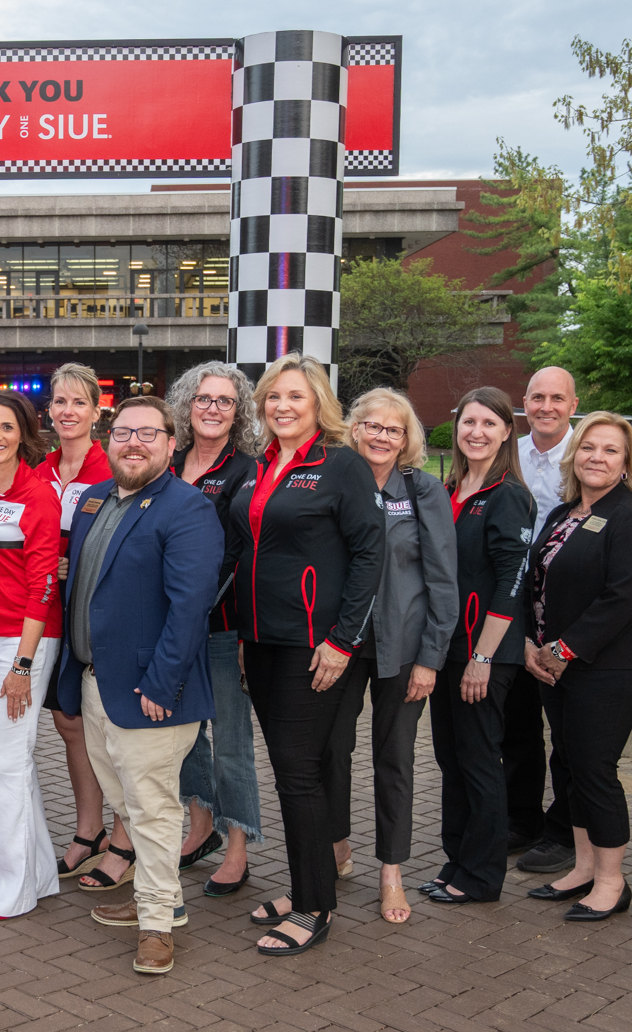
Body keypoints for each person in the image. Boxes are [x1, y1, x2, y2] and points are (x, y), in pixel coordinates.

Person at [56, 396, 222, 975]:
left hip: (150, 694)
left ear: (171, 444)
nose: (134, 442)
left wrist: (162, 684)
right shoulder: (94, 500)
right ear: (108, 441)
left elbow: (190, 607)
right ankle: (163, 897)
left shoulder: (188, 508)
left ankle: (156, 926)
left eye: (149, 433)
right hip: (96, 684)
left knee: (151, 811)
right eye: (124, 431)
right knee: (129, 802)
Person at [225, 354, 384, 957]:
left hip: (314, 646)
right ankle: (305, 885)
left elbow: (370, 556)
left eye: (295, 396)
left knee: (298, 773)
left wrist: (343, 641)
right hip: (261, 642)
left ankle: (315, 906)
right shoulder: (262, 465)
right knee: (292, 772)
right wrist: (244, 639)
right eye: (273, 396)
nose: (282, 406)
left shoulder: (342, 465)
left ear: (319, 403)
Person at [521, 411, 632, 921]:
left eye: (610, 450)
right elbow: (536, 582)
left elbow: (623, 597)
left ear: (627, 463)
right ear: (574, 454)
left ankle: (611, 882)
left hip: (611, 666)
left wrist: (562, 650)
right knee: (570, 764)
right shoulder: (566, 513)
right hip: (553, 662)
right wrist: (530, 642)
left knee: (595, 770)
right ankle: (583, 868)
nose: (596, 458)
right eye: (588, 447)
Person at [321, 388, 458, 924]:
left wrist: (431, 658)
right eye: (372, 425)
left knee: (395, 757)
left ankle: (391, 871)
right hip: (343, 643)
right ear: (354, 429)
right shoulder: (336, 481)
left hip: (404, 646)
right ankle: (337, 844)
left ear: (406, 440)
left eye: (393, 429)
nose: (381, 436)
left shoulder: (422, 491)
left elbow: (443, 579)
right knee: (331, 749)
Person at [422, 386, 535, 906]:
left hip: (485, 653)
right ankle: (457, 861)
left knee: (479, 760)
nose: (477, 432)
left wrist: (483, 658)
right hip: (448, 648)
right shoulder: (451, 488)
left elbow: (513, 581)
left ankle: (483, 876)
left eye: (489, 423)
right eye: (469, 422)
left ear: (507, 431)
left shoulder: (508, 495)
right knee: (451, 758)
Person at [0, 390, 63, 921]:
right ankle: (39, 874)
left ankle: (10, 892)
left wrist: (23, 664)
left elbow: (43, 586)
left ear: (23, 433)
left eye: (6, 427)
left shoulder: (38, 494)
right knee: (12, 759)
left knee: (3, 761)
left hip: (24, 642)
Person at [166, 362, 262, 896]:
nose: (212, 408)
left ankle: (237, 847)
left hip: (224, 627)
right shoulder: (169, 461)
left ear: (238, 411)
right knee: (182, 737)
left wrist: (244, 633)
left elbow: (244, 556)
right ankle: (201, 826)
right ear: (188, 403)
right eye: (204, 398)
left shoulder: (248, 470)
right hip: (171, 627)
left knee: (230, 742)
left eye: (225, 401)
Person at [41, 363, 132, 888]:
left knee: (108, 725)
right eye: (60, 401)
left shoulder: (113, 466)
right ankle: (88, 829)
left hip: (100, 615)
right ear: (49, 410)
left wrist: (74, 562)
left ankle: (124, 838)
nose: (68, 411)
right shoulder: (39, 470)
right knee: (69, 722)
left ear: (98, 411)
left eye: (79, 402)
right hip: (51, 616)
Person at [510, 367, 581, 874]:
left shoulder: (589, 453)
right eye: (538, 397)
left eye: (558, 398)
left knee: (569, 732)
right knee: (517, 724)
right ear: (525, 401)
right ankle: (522, 820)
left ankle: (566, 831)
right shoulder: (508, 453)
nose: (547, 407)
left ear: (573, 404)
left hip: (567, 607)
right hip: (515, 603)